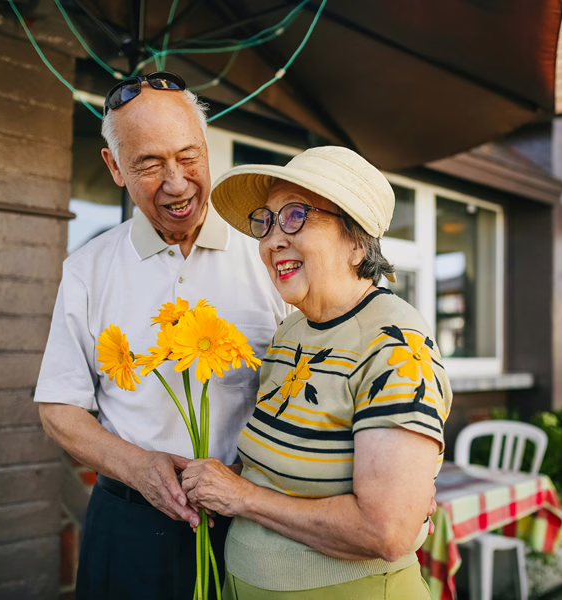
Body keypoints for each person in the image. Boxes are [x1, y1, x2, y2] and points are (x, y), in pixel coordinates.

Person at [34, 72, 288, 600]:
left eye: (188, 156)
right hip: (128, 526)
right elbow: (59, 408)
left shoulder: (271, 255)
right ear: (115, 169)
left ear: (207, 148)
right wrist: (140, 468)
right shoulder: (88, 269)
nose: (176, 183)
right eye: (149, 164)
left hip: (254, 523)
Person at [181, 146, 452, 599]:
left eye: (295, 216)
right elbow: (282, 470)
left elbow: (387, 531)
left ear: (355, 239)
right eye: (265, 222)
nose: (271, 241)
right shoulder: (292, 330)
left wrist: (240, 497)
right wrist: (214, 478)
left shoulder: (395, 343)